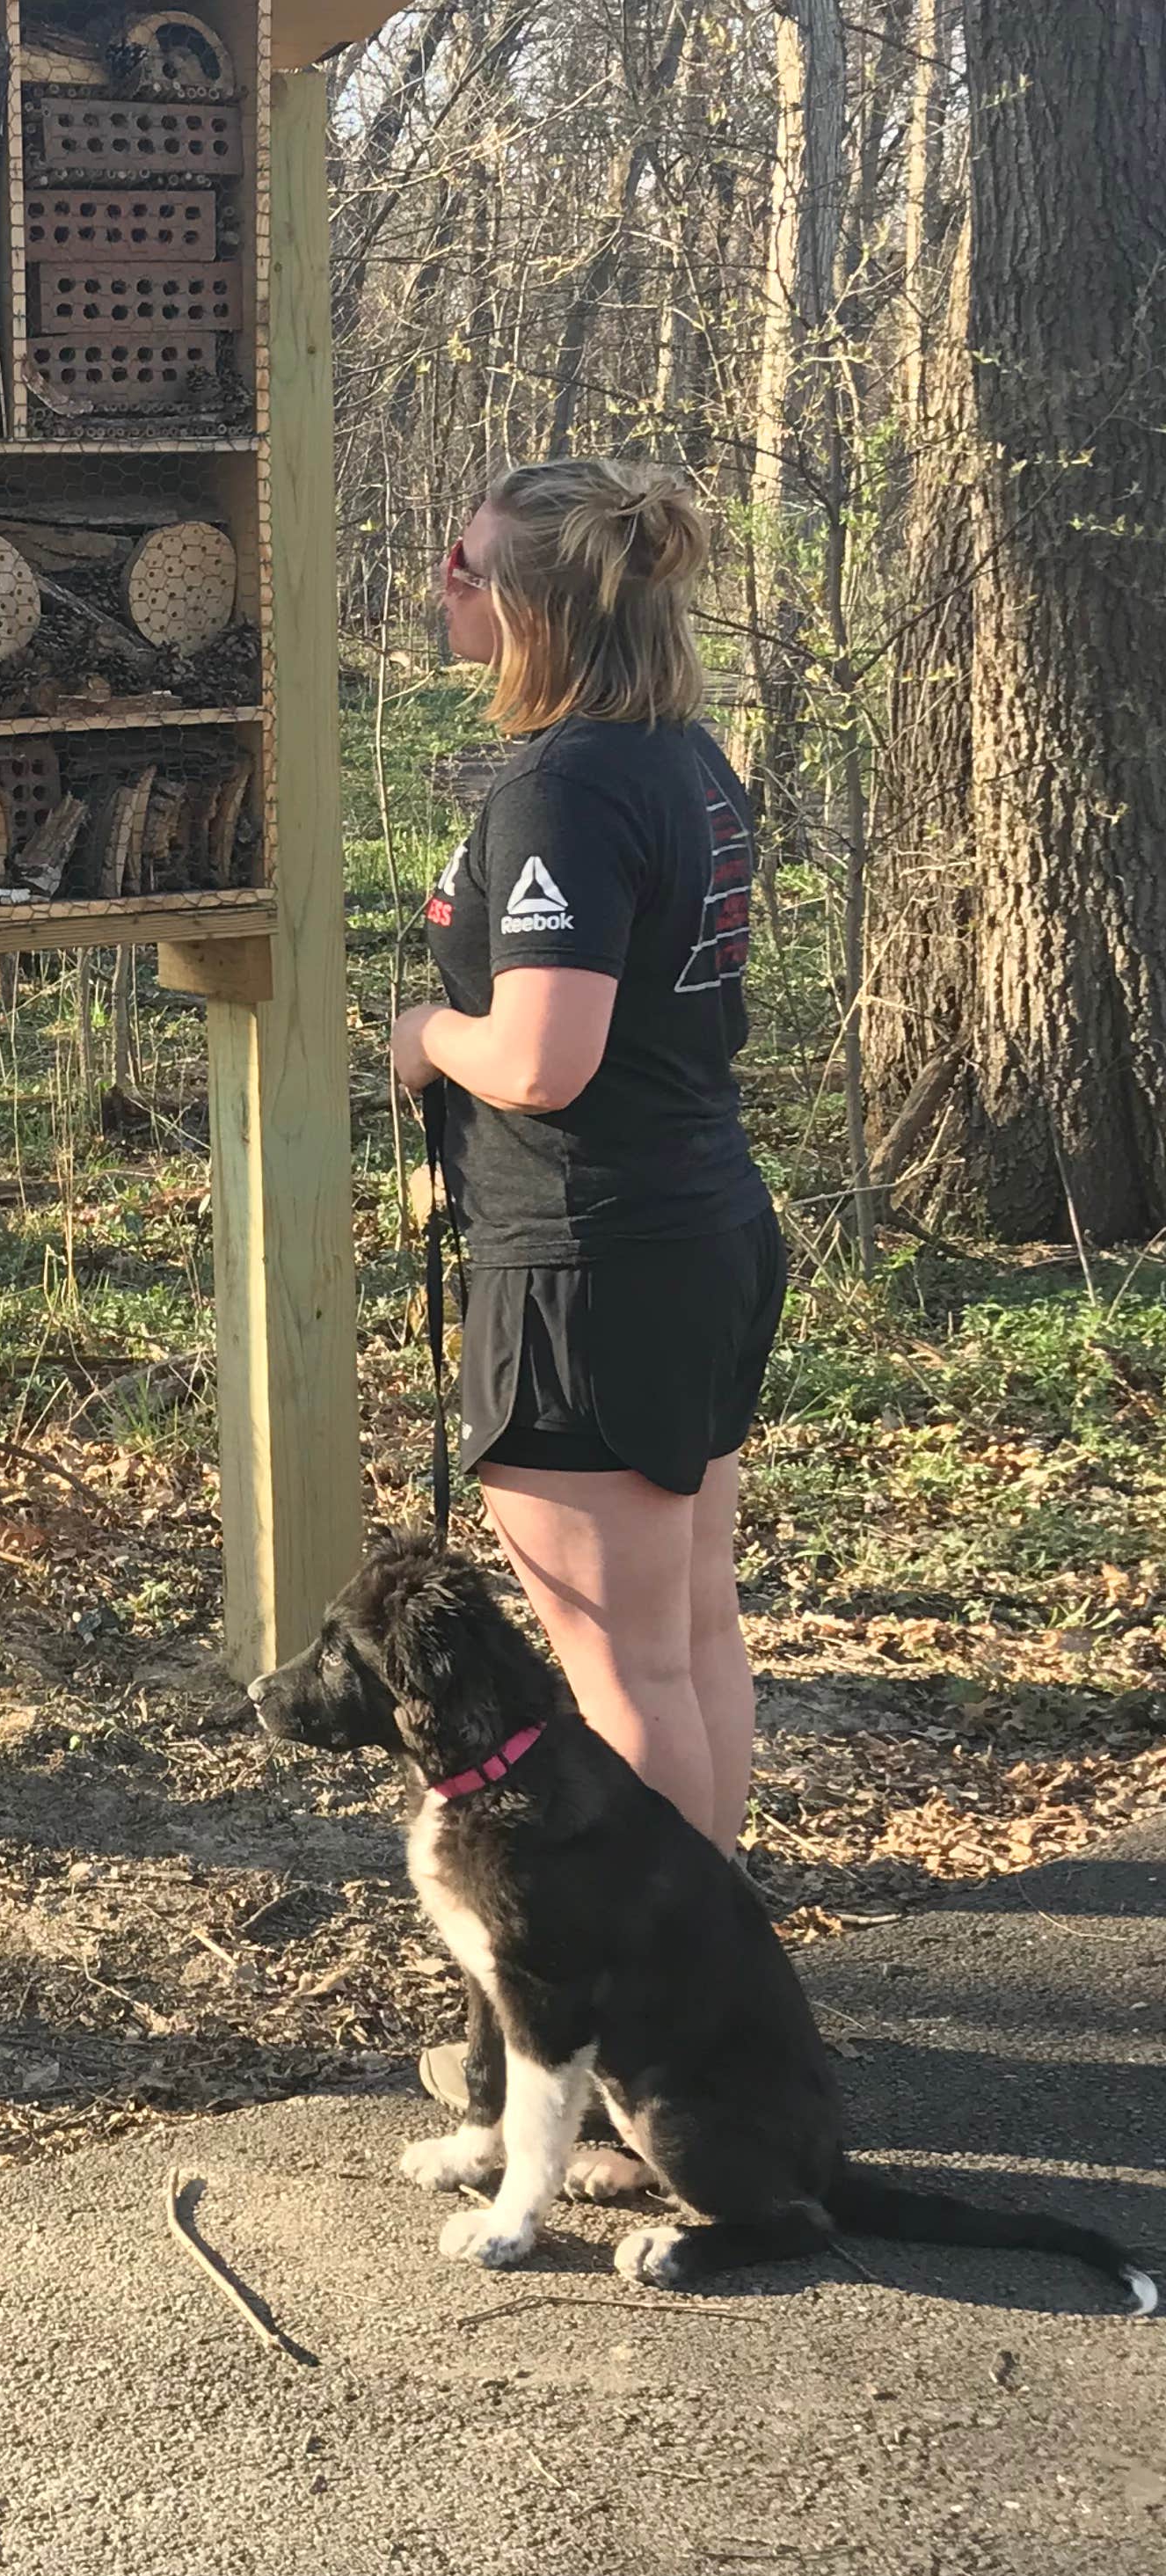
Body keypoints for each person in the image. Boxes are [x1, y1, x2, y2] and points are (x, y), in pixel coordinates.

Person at [390, 459, 782, 1884]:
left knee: (623, 1670)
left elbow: (547, 1058)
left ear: (537, 606)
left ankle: (652, 2029)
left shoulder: (564, 786)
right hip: (701, 1229)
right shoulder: (685, 756)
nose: (444, 580)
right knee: (687, 1637)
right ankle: (709, 1983)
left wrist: (427, 1035)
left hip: (592, 1261)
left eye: (467, 562)